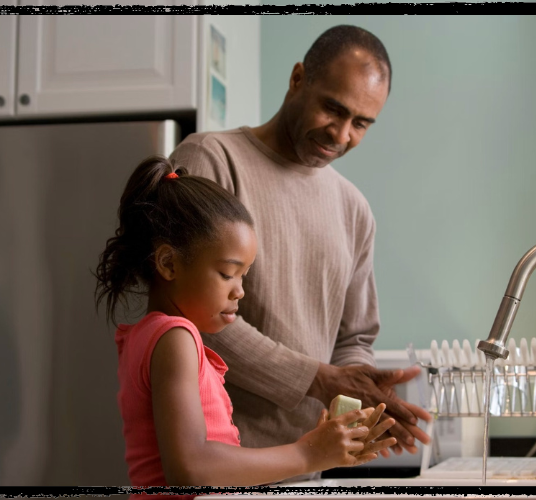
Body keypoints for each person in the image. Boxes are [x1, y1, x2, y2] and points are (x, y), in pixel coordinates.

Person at [169, 25, 432, 480]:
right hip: (215, 465)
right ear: (297, 80)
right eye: (334, 108)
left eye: (362, 123)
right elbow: (186, 312)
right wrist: (318, 378)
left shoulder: (354, 209)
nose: (342, 134)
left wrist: (359, 395)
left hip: (307, 471)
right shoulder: (211, 160)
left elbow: (354, 339)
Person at [94, 155, 397, 493]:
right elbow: (191, 468)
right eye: (227, 273)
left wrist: (321, 451)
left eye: (244, 275)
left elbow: (213, 470)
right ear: (168, 263)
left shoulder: (150, 336)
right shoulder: (175, 338)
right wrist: (307, 454)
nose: (240, 291)